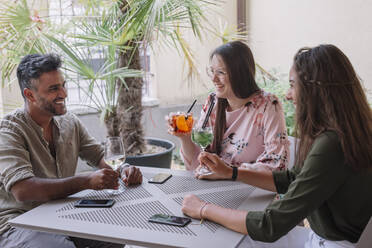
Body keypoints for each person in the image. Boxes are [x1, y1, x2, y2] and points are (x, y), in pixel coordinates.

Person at [182, 44, 372, 247]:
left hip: (332, 243)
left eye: (292, 85)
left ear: (315, 90)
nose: (288, 95)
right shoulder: (350, 130)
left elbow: (269, 225)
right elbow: (292, 179)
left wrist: (203, 209)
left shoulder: (332, 145)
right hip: (333, 238)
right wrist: (231, 173)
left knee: (226, 241)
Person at [0, 54, 142, 248]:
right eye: (53, 89)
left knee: (113, 234)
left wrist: (123, 168)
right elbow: (23, 190)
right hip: (18, 222)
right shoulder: (9, 131)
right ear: (30, 95)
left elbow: (100, 156)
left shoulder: (69, 122)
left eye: (63, 85)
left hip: (62, 212)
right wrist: (86, 181)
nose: (64, 94)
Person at [168, 41, 289, 176]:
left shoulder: (268, 105)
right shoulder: (213, 102)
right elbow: (197, 167)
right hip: (215, 189)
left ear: (240, 73)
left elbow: (277, 165)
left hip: (252, 190)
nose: (214, 79)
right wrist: (185, 138)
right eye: (212, 71)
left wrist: (228, 173)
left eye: (220, 72)